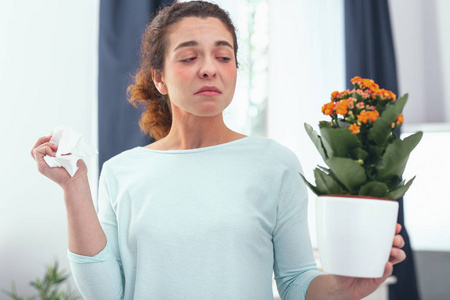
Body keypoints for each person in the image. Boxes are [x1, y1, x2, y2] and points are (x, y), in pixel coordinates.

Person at [30, 1, 406, 299]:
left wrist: (345, 288)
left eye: (223, 57)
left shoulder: (275, 164)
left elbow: (295, 283)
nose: (209, 68)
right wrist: (74, 188)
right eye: (190, 57)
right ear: (159, 78)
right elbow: (106, 294)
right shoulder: (120, 171)